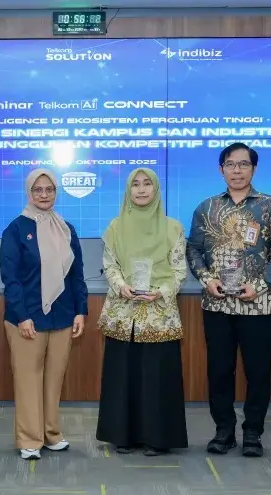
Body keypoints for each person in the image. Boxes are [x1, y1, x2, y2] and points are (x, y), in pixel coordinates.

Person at [185, 142, 271, 457]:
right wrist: (207, 279)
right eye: (230, 164)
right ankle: (224, 431)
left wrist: (259, 285)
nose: (237, 170)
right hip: (217, 305)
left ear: (253, 169)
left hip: (257, 305)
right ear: (221, 169)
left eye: (243, 164)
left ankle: (253, 433)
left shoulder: (270, 206)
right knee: (219, 370)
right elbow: (193, 249)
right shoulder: (206, 208)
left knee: (258, 371)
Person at [95, 168, 189, 456]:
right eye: (135, 184)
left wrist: (159, 291)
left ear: (156, 189)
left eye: (147, 183)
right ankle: (122, 435)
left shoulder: (173, 228)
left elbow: (179, 271)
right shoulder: (115, 226)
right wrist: (121, 285)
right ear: (128, 190)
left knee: (156, 376)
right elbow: (110, 265)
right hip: (124, 313)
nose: (141, 189)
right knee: (123, 374)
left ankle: (157, 438)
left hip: (158, 313)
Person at [0, 169, 88, 460]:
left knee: (54, 380)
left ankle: (52, 434)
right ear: (29, 192)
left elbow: (77, 276)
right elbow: (10, 279)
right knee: (28, 380)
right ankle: (29, 438)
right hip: (27, 319)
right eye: (38, 190)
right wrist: (22, 316)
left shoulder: (67, 228)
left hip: (62, 316)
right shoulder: (15, 229)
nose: (44, 195)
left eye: (49, 189)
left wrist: (80, 311)